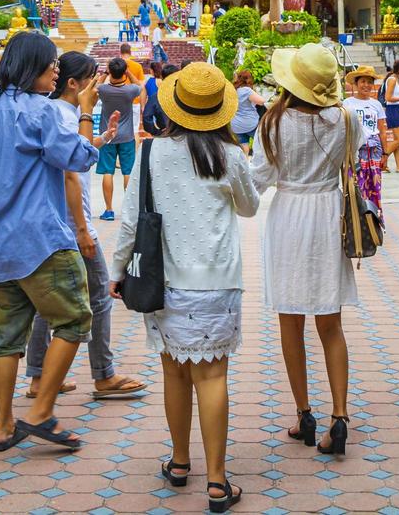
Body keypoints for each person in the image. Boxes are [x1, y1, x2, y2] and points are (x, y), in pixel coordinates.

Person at [110, 63, 260, 512]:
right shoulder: (229, 155)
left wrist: (117, 270)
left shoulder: (152, 153)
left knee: (173, 371)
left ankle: (179, 463)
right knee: (212, 375)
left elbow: (131, 219)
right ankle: (217, 482)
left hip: (164, 281)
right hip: (216, 282)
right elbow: (250, 207)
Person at [0, 31, 120, 452]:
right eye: (51, 63)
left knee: (7, 338)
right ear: (33, 67)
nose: (56, 70)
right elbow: (80, 158)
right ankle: (42, 411)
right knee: (74, 320)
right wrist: (86, 114)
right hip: (43, 239)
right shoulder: (43, 112)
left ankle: (2, 426)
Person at [252, 43, 363, 457]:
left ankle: (304, 412)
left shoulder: (273, 122)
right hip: (328, 215)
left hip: (289, 217)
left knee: (291, 322)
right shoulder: (347, 120)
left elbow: (258, 180)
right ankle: (340, 415)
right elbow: (352, 161)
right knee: (330, 324)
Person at [24, 52, 147, 401]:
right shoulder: (65, 113)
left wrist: (103, 138)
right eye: (94, 78)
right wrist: (82, 228)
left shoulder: (57, 113)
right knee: (99, 298)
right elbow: (68, 173)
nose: (99, 86)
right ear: (75, 83)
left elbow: (76, 153)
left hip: (56, 224)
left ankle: (38, 376)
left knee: (49, 305)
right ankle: (104, 375)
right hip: (69, 225)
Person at [97, 57, 143, 220]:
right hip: (127, 136)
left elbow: (95, 87)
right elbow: (140, 85)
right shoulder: (130, 90)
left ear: (110, 72)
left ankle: (109, 210)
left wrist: (104, 73)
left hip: (107, 136)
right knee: (127, 171)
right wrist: (128, 72)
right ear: (123, 72)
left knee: (107, 172)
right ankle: (130, 210)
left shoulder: (103, 90)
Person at [342, 65, 391, 221]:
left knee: (375, 186)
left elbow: (382, 130)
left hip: (374, 149)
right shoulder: (347, 103)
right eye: (363, 81)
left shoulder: (376, 104)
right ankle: (356, 220)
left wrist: (385, 153)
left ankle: (374, 220)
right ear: (355, 84)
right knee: (355, 184)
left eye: (370, 82)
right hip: (355, 150)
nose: (366, 85)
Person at [229, 69, 266, 154]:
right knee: (261, 144)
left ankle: (245, 163)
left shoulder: (233, 90)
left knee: (244, 146)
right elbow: (261, 101)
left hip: (236, 126)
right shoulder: (246, 90)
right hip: (250, 124)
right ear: (248, 79)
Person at [143, 63, 182, 135]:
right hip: (183, 133)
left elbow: (146, 117)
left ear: (162, 77)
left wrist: (157, 131)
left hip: (164, 132)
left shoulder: (155, 97)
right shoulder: (184, 95)